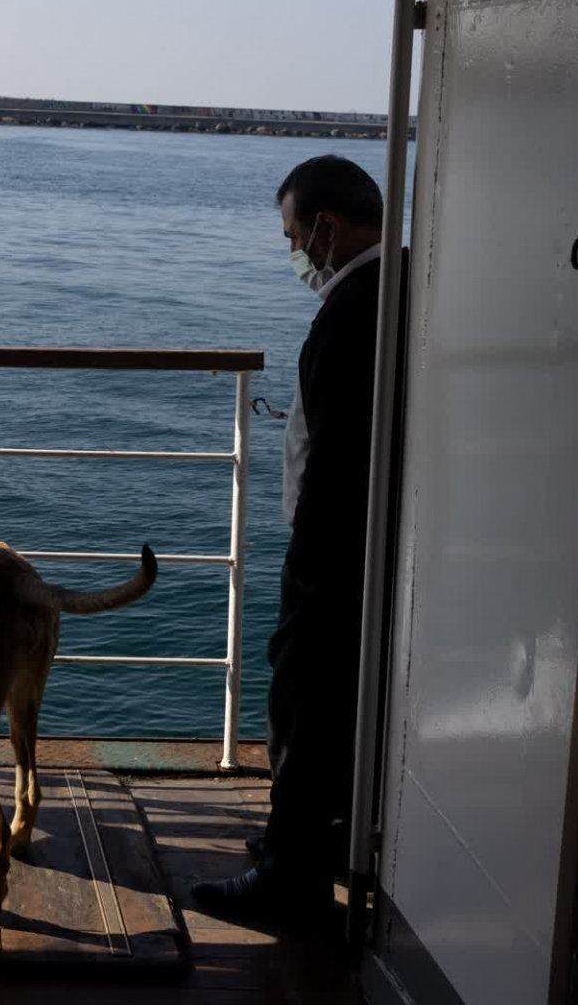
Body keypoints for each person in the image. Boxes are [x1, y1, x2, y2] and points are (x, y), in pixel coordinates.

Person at [192, 153, 390, 925]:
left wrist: (308, 568)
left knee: (301, 703)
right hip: (365, 552)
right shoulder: (400, 289)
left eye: (292, 236)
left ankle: (290, 877)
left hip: (332, 559)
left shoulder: (351, 310)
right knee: (332, 709)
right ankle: (313, 837)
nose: (293, 253)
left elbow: (338, 461)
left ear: (325, 227)